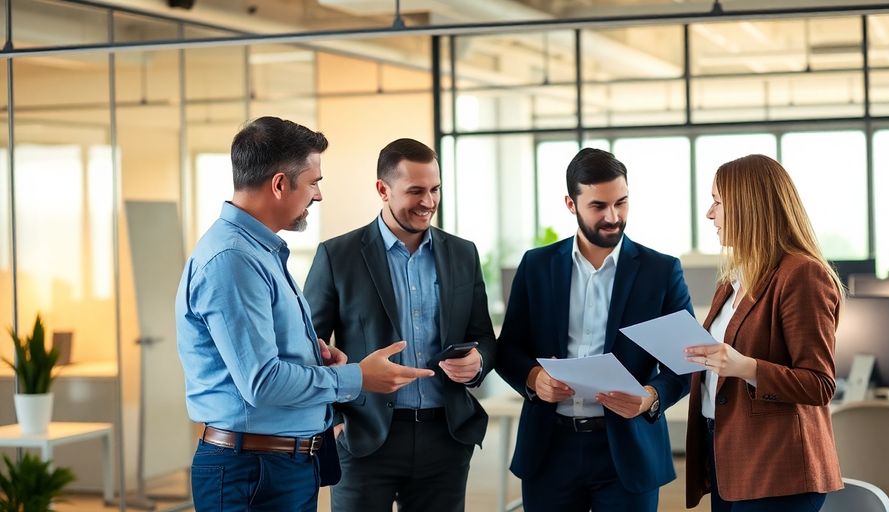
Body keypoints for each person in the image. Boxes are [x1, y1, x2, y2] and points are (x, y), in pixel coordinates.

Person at [176, 117, 434, 512]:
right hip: (254, 471)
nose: (318, 195)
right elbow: (262, 382)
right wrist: (357, 377)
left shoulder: (261, 251)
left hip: (279, 464)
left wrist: (314, 354)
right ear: (280, 184)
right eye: (313, 182)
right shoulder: (234, 260)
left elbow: (262, 359)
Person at [303, 137, 497, 512]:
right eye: (415, 191)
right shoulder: (337, 255)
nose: (428, 202)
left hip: (446, 437)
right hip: (364, 438)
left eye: (435, 189)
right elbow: (309, 346)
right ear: (383, 189)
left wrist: (479, 362)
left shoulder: (462, 253)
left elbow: (483, 337)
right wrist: (337, 420)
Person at [496, 148, 693, 511]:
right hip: (550, 448)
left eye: (621, 202)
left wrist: (650, 396)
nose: (613, 216)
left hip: (628, 450)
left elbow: (687, 363)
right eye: (598, 206)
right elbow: (507, 349)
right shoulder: (536, 266)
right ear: (571, 204)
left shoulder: (661, 271)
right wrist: (533, 377)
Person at [683, 154, 844, 511]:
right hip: (727, 455)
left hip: (778, 468)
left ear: (747, 207)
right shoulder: (735, 277)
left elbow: (819, 384)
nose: (710, 214)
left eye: (717, 202)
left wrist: (747, 367)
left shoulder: (802, 274)